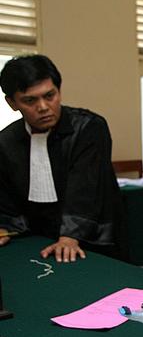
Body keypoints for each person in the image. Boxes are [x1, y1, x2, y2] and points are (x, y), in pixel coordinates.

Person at [0, 54, 122, 263]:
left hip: (93, 239)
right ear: (12, 103)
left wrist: (70, 236)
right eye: (30, 100)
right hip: (36, 241)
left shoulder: (89, 127)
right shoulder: (6, 141)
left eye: (50, 95)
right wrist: (5, 228)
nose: (43, 107)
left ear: (59, 91)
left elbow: (85, 187)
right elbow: (6, 196)